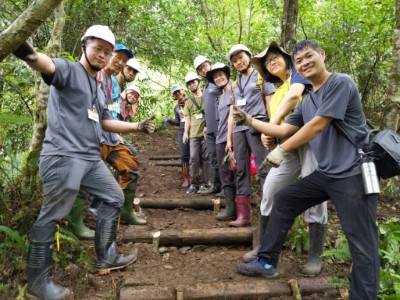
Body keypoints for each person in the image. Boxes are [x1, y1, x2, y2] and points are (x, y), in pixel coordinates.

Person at [13, 25, 156, 299]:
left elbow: (103, 120)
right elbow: (43, 63)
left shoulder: (97, 85)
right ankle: (38, 282)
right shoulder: (68, 70)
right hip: (63, 155)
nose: (102, 55)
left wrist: (136, 126)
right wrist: (26, 51)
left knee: (114, 196)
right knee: (52, 215)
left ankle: (106, 257)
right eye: (97, 49)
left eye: (107, 51)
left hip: (89, 158)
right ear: (84, 46)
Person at [234, 40, 379, 300]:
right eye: (299, 60)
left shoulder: (341, 82)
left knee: (361, 243)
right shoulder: (307, 101)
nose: (304, 63)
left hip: (353, 174)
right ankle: (266, 263)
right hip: (326, 175)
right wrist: (251, 120)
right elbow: (284, 129)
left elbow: (317, 126)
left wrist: (282, 150)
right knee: (285, 199)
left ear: (322, 55)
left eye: (309, 56)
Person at [241, 41, 328, 276]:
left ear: (287, 59)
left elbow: (294, 98)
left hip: (309, 141)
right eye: (267, 62)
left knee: (315, 193)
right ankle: (263, 246)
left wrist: (270, 126)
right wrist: (269, 135)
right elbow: (277, 118)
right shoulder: (276, 90)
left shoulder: (299, 75)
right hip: (288, 147)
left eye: (275, 57)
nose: (271, 62)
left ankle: (314, 255)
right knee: (270, 189)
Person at [97, 43, 148, 226]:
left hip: (110, 137)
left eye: (124, 61)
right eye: (117, 58)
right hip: (93, 138)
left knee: (130, 166)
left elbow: (111, 112)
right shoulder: (94, 76)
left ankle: (125, 212)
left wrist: (120, 132)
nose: (120, 63)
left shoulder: (113, 83)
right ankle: (78, 221)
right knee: (86, 176)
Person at [226, 44, 275, 227]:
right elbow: (232, 112)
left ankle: (268, 213)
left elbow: (270, 103)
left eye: (241, 57)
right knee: (241, 170)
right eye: (235, 60)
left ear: (249, 56)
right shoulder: (235, 84)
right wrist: (229, 139)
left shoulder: (262, 76)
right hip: (239, 129)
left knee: (264, 167)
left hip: (258, 125)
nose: (239, 62)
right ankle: (243, 216)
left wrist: (272, 127)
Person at [205, 63, 237, 220]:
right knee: (224, 173)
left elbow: (232, 116)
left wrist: (230, 139)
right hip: (220, 137)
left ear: (227, 75)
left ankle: (240, 209)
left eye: (221, 75)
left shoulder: (234, 91)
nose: (218, 78)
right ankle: (231, 209)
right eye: (215, 77)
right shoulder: (220, 96)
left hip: (231, 138)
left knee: (237, 171)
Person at [194, 56, 223, 195]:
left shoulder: (219, 81)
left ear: (210, 64)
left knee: (223, 157)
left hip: (221, 127)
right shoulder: (206, 87)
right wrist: (205, 125)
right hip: (210, 129)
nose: (203, 70)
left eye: (205, 66)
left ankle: (226, 187)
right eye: (200, 69)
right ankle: (215, 185)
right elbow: (208, 108)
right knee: (213, 157)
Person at [183, 72, 210, 194]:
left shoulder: (207, 97)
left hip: (205, 134)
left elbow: (211, 113)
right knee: (193, 158)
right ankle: (194, 184)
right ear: (188, 87)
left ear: (198, 82)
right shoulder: (188, 102)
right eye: (189, 84)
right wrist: (185, 133)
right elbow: (187, 118)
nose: (192, 85)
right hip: (193, 134)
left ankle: (204, 184)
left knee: (206, 158)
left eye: (193, 82)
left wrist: (208, 127)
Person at [163, 84, 190, 188]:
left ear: (183, 90)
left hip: (193, 130)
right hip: (182, 132)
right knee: (184, 156)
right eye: (175, 93)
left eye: (178, 91)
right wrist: (169, 119)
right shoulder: (176, 107)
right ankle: (186, 177)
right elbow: (178, 122)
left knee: (196, 155)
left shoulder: (191, 101)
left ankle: (198, 176)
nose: (177, 94)